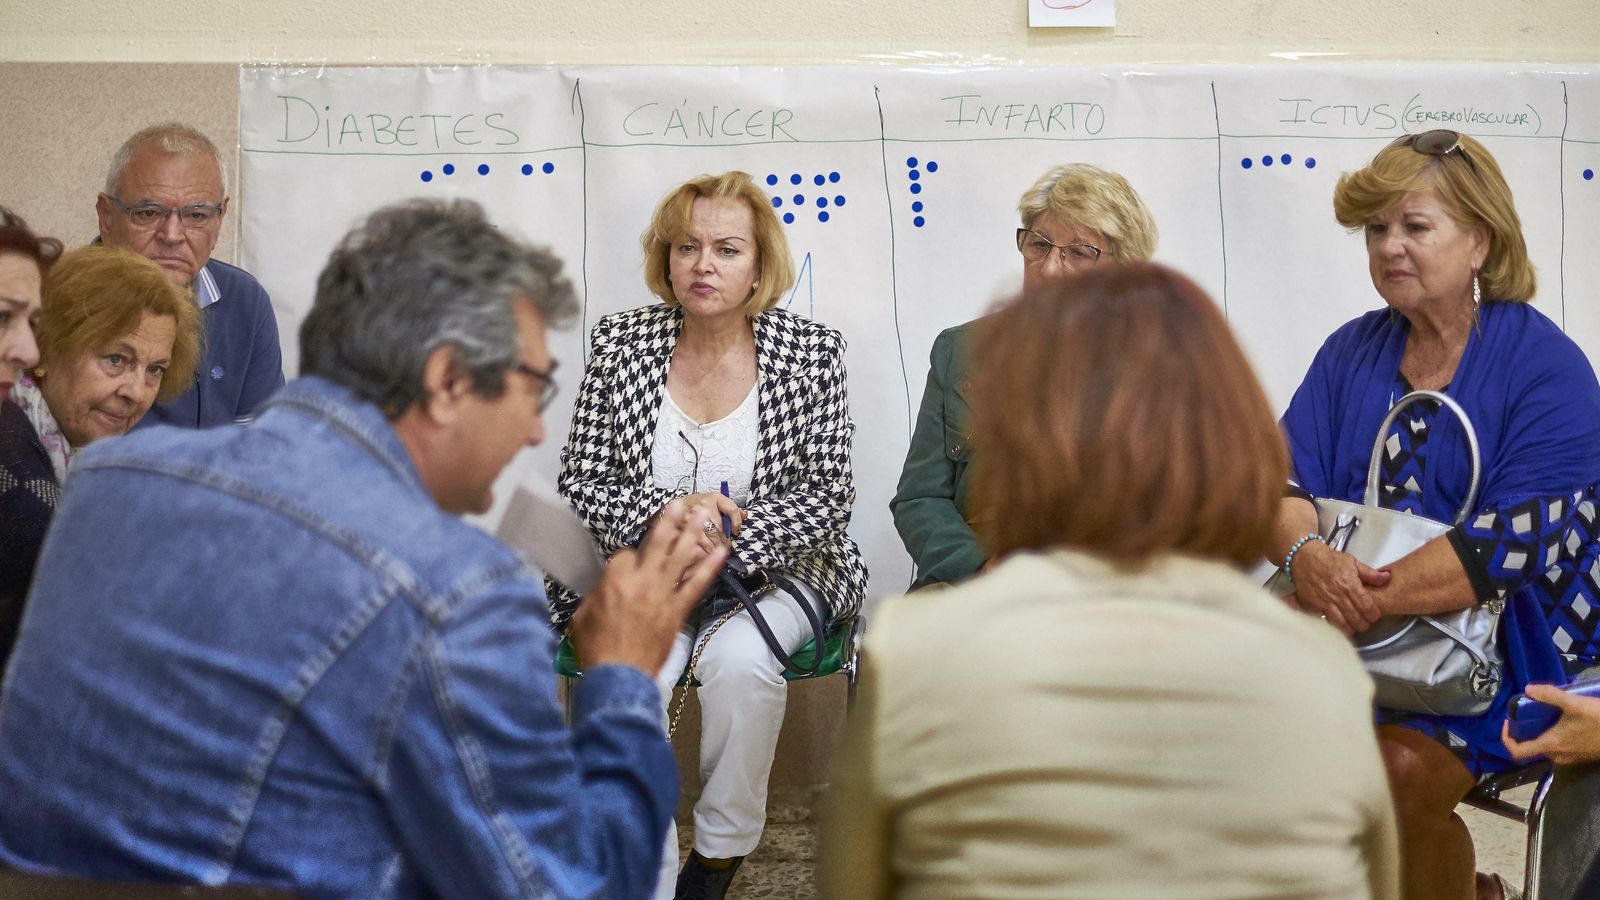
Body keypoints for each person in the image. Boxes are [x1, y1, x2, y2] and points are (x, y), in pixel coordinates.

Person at [0, 199, 731, 900]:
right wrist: (623, 678)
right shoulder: (459, 589)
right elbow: (577, 888)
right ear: (447, 381)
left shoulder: (108, 479)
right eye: (533, 390)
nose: (536, 432)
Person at [821, 263, 1399, 900]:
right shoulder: (1320, 671)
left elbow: (855, 886)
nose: (1052, 264)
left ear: (1014, 452)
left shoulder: (914, 658)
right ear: (1230, 442)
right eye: (1038, 243)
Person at [1272, 130, 1600, 900]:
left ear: (1479, 241)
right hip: (1362, 636)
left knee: (1392, 776)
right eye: (1377, 229)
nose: (1390, 247)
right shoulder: (1349, 352)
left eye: (1415, 227)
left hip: (1513, 648)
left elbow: (1512, 546)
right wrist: (1309, 564)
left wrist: (1353, 596)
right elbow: (1276, 485)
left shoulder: (1545, 367)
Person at [556, 171, 867, 899]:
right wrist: (671, 516)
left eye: (727, 249)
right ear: (665, 259)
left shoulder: (812, 352)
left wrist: (725, 543)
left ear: (759, 265)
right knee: (634, 675)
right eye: (687, 247)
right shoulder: (621, 341)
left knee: (738, 662)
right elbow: (583, 480)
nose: (704, 265)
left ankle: (720, 855)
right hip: (645, 567)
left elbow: (828, 495)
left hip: (784, 568)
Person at [890, 163, 1157, 589]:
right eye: (1040, 244)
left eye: (1079, 252)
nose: (1050, 268)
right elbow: (920, 498)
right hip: (973, 583)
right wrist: (982, 567)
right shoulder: (960, 351)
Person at [1, 243, 197, 670]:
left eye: (155, 370)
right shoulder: (13, 461)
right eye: (116, 359)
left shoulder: (64, 452)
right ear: (48, 348)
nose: (136, 392)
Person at [97, 122, 284, 427]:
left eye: (196, 215)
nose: (172, 235)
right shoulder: (55, 303)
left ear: (220, 217)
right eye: (148, 213)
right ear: (106, 216)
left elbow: (260, 449)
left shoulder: (245, 302)